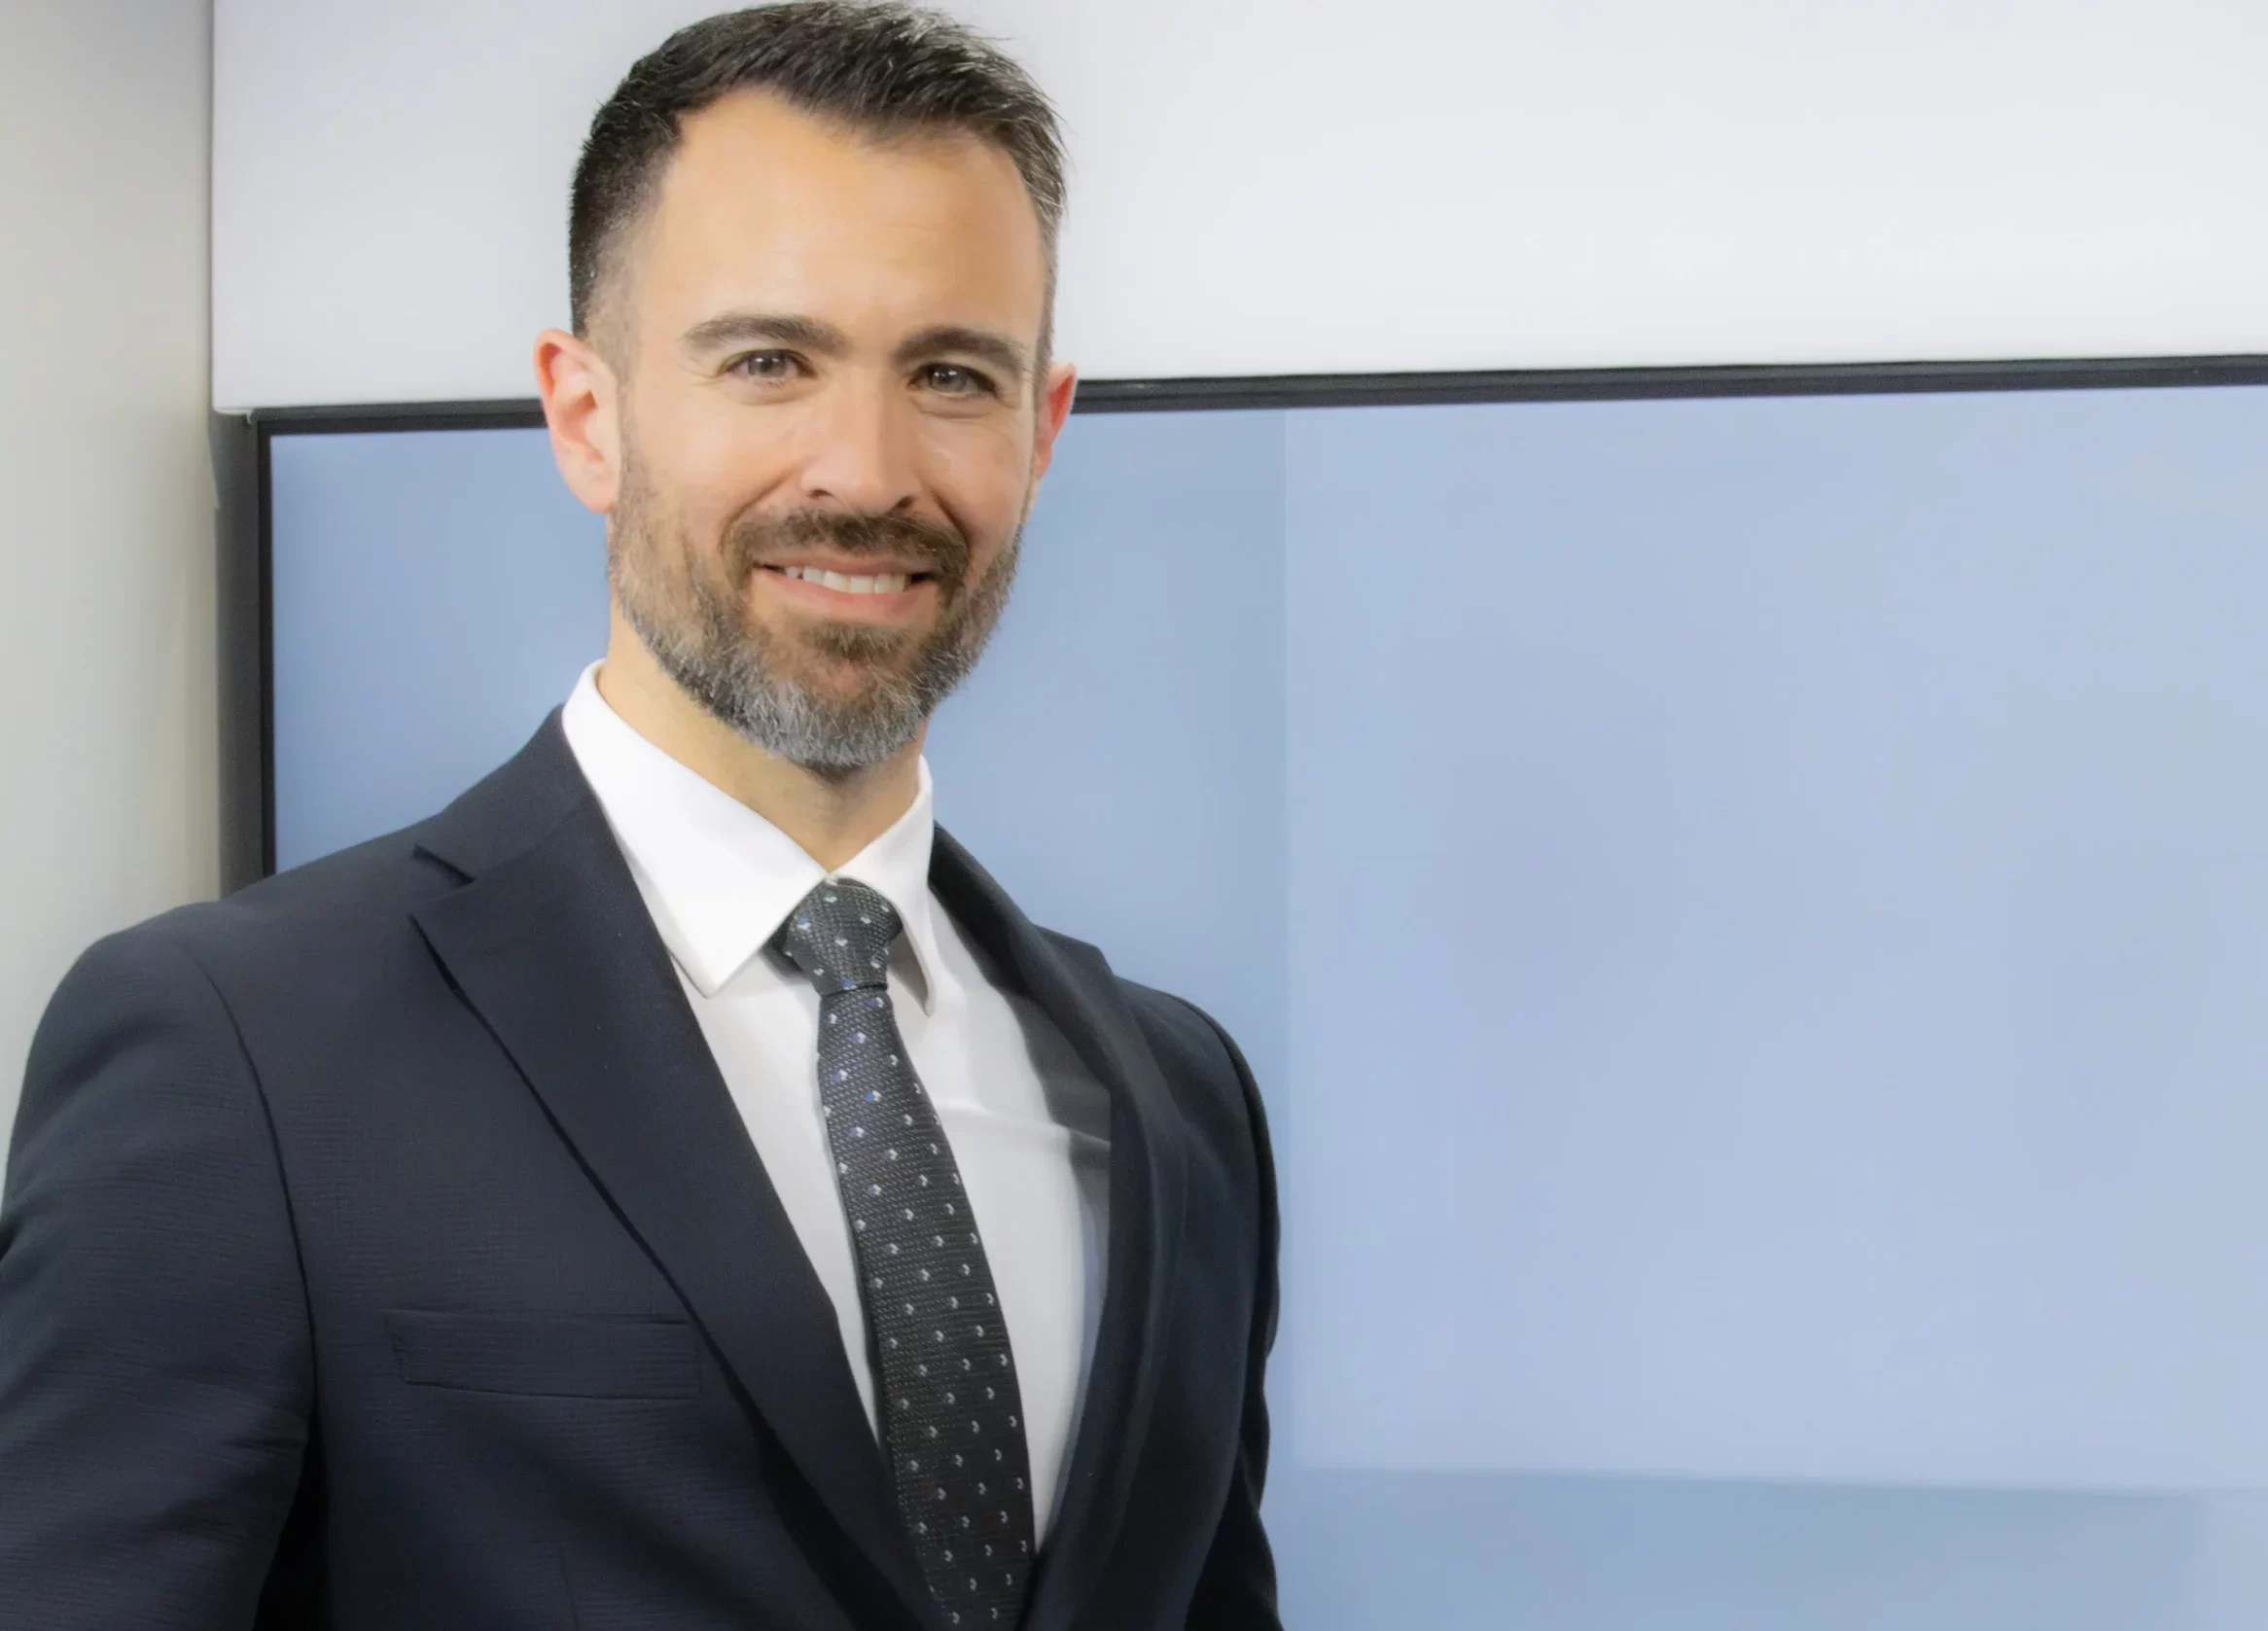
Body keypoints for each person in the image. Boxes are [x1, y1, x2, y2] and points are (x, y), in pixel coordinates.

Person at [0, 6, 1280, 1627]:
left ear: (1041, 431)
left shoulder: (1180, 1102)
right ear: (586, 416)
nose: (864, 471)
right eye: (769, 363)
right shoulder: (240, 1051)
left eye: (951, 375)